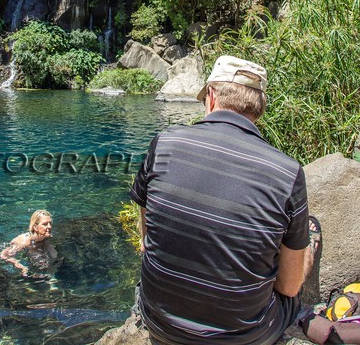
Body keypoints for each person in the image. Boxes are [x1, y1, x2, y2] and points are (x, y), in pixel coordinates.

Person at [130, 56, 316, 345]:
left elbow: (146, 240)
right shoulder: (287, 172)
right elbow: (289, 287)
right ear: (260, 107)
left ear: (212, 97)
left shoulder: (163, 143)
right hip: (244, 337)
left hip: (160, 324)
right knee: (306, 242)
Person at [0, 209, 57, 279]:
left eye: (50, 223)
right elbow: (3, 255)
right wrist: (20, 266)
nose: (49, 226)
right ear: (35, 227)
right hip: (28, 248)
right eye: (45, 224)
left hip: (38, 246)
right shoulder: (24, 242)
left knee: (54, 256)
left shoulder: (48, 236)